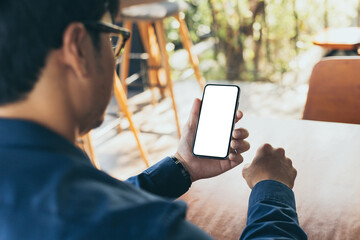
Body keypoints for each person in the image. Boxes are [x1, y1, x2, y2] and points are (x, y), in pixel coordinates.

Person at [0, 0, 307, 239]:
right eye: (112, 40)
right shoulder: (149, 228)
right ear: (78, 49)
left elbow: (98, 200)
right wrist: (272, 189)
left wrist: (181, 167)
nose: (115, 56)